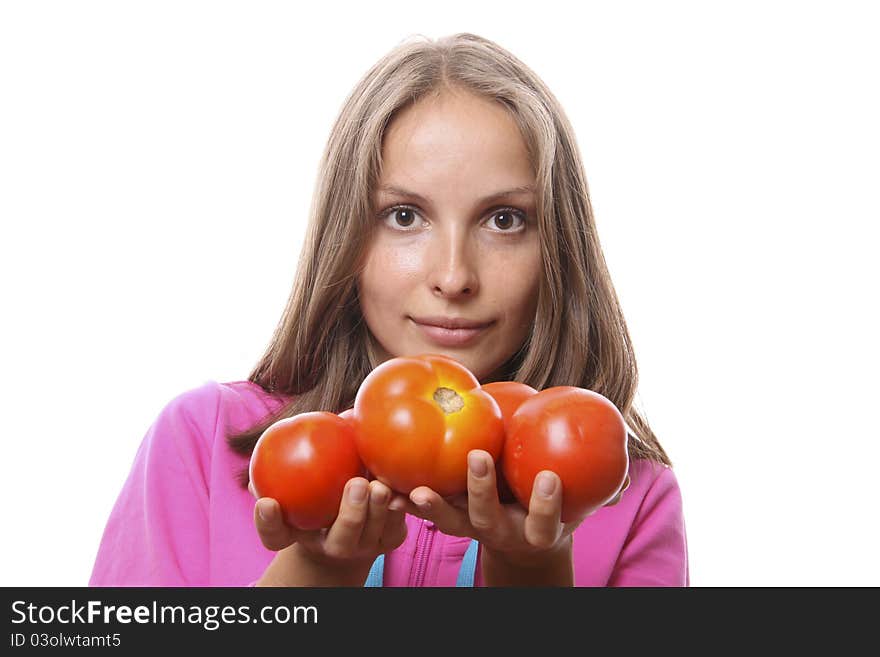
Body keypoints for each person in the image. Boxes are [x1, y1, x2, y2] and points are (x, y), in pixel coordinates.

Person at [89, 32, 688, 587]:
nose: (453, 276)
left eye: (504, 220)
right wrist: (317, 570)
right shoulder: (206, 441)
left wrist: (533, 571)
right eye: (405, 216)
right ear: (345, 238)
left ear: (559, 248)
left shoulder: (629, 494)